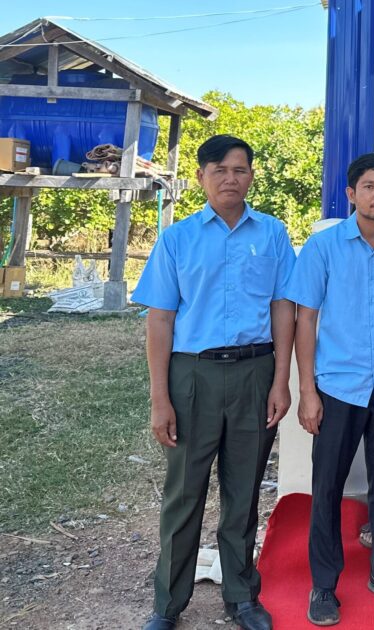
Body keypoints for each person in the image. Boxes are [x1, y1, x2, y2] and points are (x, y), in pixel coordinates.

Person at [134, 134, 296, 630]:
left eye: (240, 169)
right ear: (202, 176)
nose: (231, 178)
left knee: (243, 490)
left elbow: (283, 308)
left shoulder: (271, 234)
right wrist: (160, 398)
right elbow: (159, 321)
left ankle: (242, 595)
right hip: (193, 375)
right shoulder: (178, 238)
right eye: (220, 169)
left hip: (255, 371)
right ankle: (168, 604)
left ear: (251, 176)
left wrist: (281, 380)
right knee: (185, 492)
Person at [287, 153, 374, 626]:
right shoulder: (323, 247)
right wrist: (307, 390)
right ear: (351, 194)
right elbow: (306, 317)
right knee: (326, 487)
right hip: (337, 388)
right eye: (370, 187)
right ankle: (323, 585)